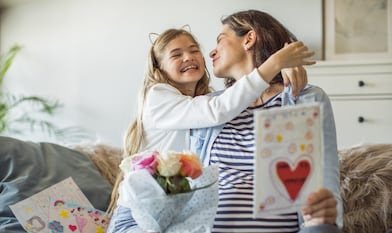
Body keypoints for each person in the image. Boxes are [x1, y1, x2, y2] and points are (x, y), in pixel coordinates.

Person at [107, 26, 315, 232]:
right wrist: (275, 64)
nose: (188, 57)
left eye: (194, 50)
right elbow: (220, 109)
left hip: (173, 212)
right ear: (159, 69)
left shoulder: (204, 102)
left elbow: (230, 102)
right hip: (138, 214)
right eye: (176, 54)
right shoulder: (158, 96)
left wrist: (283, 73)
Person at [190, 10, 342, 233]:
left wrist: (324, 218)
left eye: (220, 40)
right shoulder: (207, 107)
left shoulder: (307, 98)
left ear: (249, 39)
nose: (212, 52)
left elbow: (326, 178)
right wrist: (279, 62)